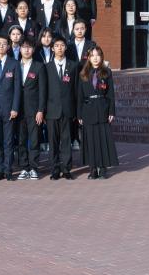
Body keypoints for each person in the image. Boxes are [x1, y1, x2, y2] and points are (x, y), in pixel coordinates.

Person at [78, 46, 118, 179]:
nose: (95, 58)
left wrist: (111, 111)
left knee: (102, 139)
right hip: (88, 110)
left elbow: (111, 94)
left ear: (101, 57)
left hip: (102, 109)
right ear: (89, 58)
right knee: (90, 140)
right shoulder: (83, 74)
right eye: (92, 56)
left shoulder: (107, 72)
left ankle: (103, 168)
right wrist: (79, 114)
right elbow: (79, 96)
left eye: (98, 55)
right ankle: (93, 169)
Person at [0, 36, 21, 181]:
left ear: (8, 46)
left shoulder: (14, 63)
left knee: (8, 142)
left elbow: (17, 88)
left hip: (9, 110)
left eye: (4, 44)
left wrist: (15, 107)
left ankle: (8, 170)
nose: (1, 46)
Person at [45, 40, 78, 180]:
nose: (60, 48)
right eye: (57, 46)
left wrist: (76, 111)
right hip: (51, 111)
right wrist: (43, 111)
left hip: (67, 110)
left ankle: (66, 169)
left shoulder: (73, 66)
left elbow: (76, 90)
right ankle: (54, 169)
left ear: (65, 48)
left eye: (62, 46)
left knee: (66, 141)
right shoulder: (47, 67)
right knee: (53, 142)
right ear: (52, 48)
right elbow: (44, 91)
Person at [14, 42, 47, 180]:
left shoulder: (39, 66)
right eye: (24, 47)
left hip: (34, 110)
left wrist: (40, 110)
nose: (26, 50)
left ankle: (33, 168)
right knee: (21, 140)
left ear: (33, 50)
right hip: (18, 110)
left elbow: (43, 90)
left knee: (34, 140)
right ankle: (24, 167)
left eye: (29, 47)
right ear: (20, 49)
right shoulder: (15, 65)